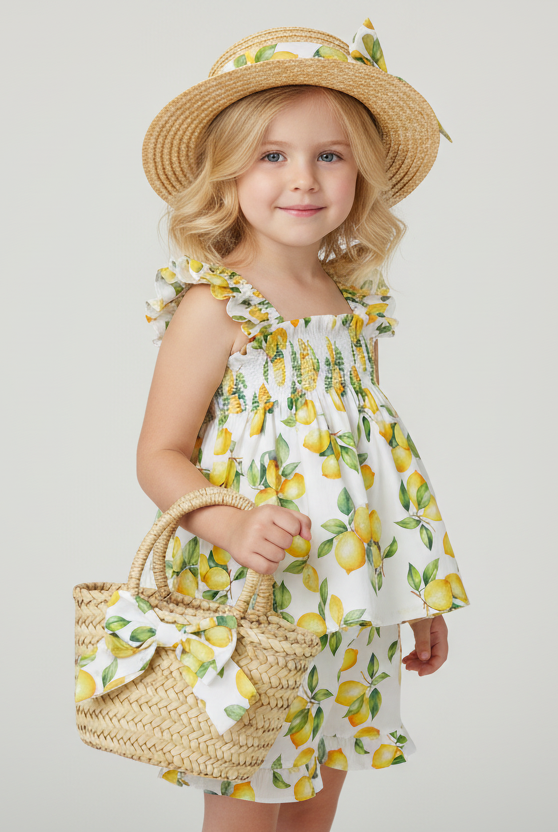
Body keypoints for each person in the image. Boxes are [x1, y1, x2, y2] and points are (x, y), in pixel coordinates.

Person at [136, 18, 470, 832]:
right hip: (253, 603)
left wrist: (413, 593)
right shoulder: (216, 305)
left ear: (360, 173)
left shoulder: (353, 309)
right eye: (272, 155)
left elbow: (375, 464)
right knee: (249, 805)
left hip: (350, 601)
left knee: (314, 804)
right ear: (226, 174)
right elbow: (159, 455)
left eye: (330, 155)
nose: (304, 179)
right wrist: (230, 521)